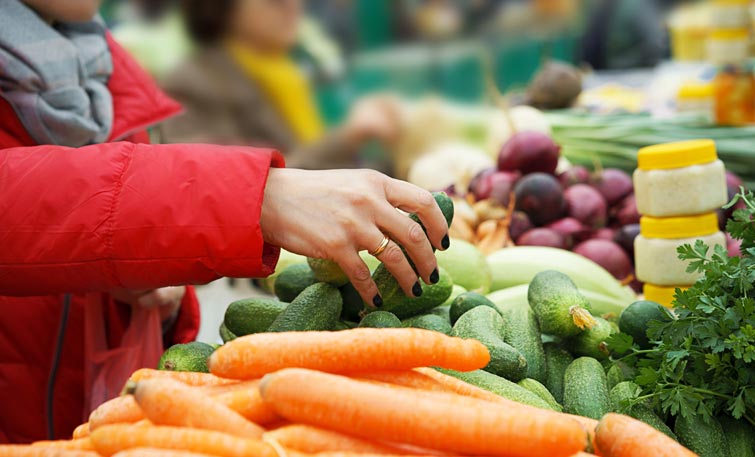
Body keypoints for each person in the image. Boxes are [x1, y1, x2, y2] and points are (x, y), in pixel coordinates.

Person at [0, 0, 448, 443]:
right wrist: (260, 196)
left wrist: (153, 280)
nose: (292, 7)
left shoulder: (98, 71)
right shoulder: (195, 80)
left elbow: (97, 222)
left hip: (86, 422)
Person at [160, 0, 401, 170]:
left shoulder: (293, 68)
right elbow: (248, 190)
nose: (293, 5)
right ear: (221, 8)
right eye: (273, 1)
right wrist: (349, 136)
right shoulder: (192, 83)